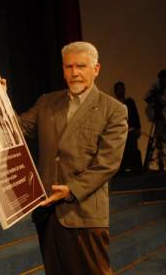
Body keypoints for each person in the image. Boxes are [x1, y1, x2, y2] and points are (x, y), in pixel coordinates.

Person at [17, 41, 128, 274]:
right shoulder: (47, 102)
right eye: (69, 67)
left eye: (81, 66)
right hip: (47, 212)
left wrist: (71, 190)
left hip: (84, 212)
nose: (74, 73)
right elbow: (17, 128)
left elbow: (107, 164)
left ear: (96, 69)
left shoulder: (114, 110)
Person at [113, 81, 142, 174]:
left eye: (122, 89)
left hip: (131, 130)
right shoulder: (114, 104)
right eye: (118, 89)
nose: (120, 91)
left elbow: (135, 115)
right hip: (119, 132)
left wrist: (138, 127)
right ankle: (123, 170)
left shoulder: (130, 102)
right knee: (121, 151)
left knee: (133, 149)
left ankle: (136, 169)